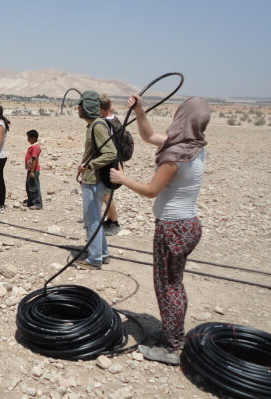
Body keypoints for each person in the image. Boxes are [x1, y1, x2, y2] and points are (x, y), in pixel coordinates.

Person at [110, 95, 211, 365]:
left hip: (173, 228)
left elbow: (152, 190)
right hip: (187, 225)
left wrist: (123, 178)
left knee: (168, 287)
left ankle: (170, 346)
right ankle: (173, 334)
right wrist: (140, 111)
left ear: (182, 117)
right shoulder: (194, 146)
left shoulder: (176, 155)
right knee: (173, 284)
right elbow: (150, 135)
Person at [75, 91, 116, 269]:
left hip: (93, 180)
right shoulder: (94, 125)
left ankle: (94, 260)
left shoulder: (97, 126)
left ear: (87, 108)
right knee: (96, 219)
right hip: (94, 179)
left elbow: (110, 152)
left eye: (80, 105)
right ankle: (102, 254)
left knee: (91, 220)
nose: (78, 109)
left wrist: (90, 165)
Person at [99, 95, 121, 235]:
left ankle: (114, 222)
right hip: (113, 159)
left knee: (105, 194)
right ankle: (109, 219)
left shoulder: (103, 123)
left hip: (108, 160)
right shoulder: (114, 119)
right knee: (105, 192)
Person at [24, 129, 42, 210]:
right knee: (29, 186)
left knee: (34, 187)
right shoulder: (33, 146)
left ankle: (37, 203)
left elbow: (34, 159)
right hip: (30, 169)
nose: (28, 139)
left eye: (29, 138)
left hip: (33, 170)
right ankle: (30, 201)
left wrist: (32, 171)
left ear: (33, 138)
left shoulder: (35, 147)